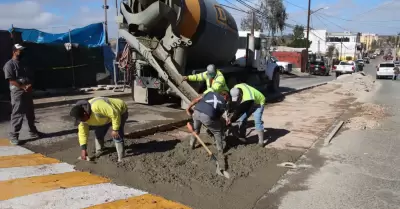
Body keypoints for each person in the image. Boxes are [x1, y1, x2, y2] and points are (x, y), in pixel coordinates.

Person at [3, 44, 43, 145]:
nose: (21, 52)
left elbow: (30, 76)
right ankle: (14, 135)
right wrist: (22, 87)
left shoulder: (24, 64)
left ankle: (33, 131)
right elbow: (11, 80)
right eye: (19, 50)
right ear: (14, 51)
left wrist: (29, 85)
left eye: (22, 50)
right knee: (17, 114)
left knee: (30, 113)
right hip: (17, 93)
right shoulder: (9, 65)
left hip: (27, 91)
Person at [69, 97, 128, 162]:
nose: (82, 121)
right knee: (98, 133)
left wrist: (115, 129)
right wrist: (83, 149)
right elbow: (83, 134)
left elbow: (115, 114)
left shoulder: (97, 106)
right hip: (104, 117)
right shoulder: (81, 119)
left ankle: (121, 157)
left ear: (85, 114)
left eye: (82, 119)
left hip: (119, 110)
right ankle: (99, 151)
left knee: (117, 134)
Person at [186, 91, 229, 156]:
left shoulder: (210, 93)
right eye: (227, 99)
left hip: (197, 111)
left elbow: (196, 99)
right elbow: (216, 117)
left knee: (196, 130)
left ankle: (191, 145)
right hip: (207, 116)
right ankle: (220, 151)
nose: (227, 100)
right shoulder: (224, 103)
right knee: (217, 132)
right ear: (225, 97)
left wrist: (188, 108)